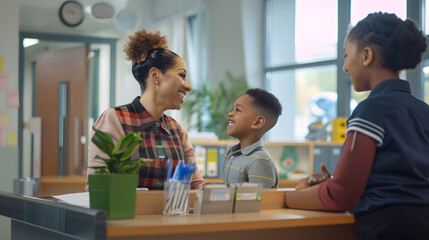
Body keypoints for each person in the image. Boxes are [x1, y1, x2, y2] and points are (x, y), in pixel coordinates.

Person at [285, 12, 429, 240]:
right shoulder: (423, 111)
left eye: (346, 55)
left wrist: (292, 196)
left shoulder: (370, 111)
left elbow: (340, 196)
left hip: (386, 227)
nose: (344, 67)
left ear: (367, 55)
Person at [86, 29, 204, 190]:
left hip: (173, 215)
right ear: (155, 76)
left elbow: (196, 186)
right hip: (128, 215)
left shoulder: (177, 129)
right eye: (182, 75)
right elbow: (97, 187)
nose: (188, 87)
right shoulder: (114, 119)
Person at [223, 88, 282, 188]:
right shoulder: (231, 154)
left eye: (238, 110)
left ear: (257, 122)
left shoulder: (259, 161)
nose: (230, 113)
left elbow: (261, 201)